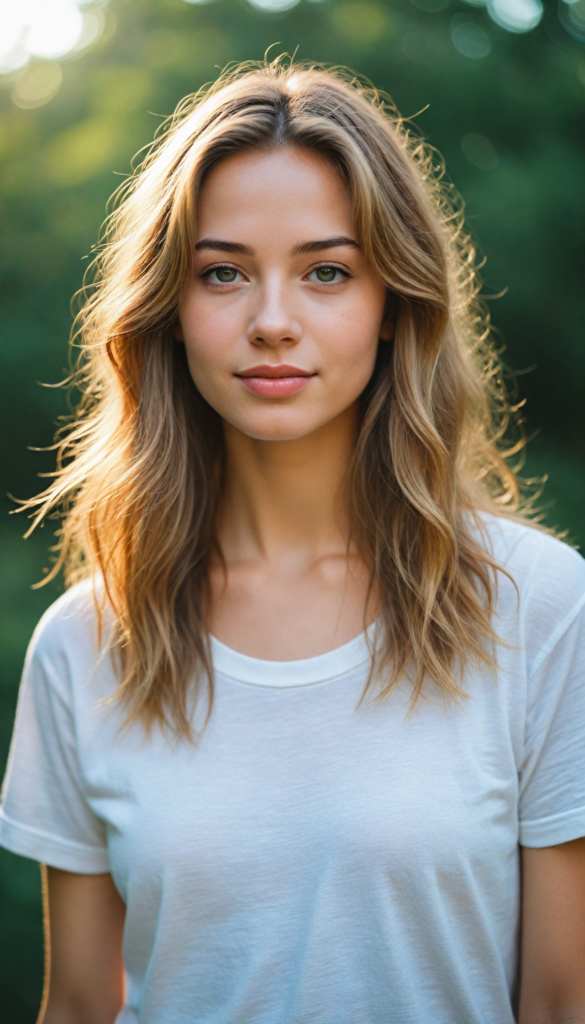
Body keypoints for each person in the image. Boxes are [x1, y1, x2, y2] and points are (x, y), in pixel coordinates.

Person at [1, 58, 584, 1024]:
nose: (272, 322)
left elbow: (563, 1001)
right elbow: (77, 1008)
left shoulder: (540, 607)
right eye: (221, 273)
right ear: (167, 313)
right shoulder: (85, 643)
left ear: (396, 305)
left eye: (326, 272)